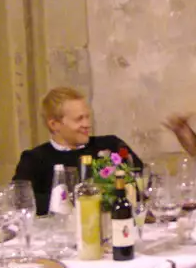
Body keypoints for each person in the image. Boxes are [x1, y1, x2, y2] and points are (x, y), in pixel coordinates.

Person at [12, 86, 143, 214]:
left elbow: (141, 180)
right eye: (79, 119)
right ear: (54, 124)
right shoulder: (34, 159)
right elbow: (20, 201)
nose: (87, 124)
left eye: (87, 117)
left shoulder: (111, 145)